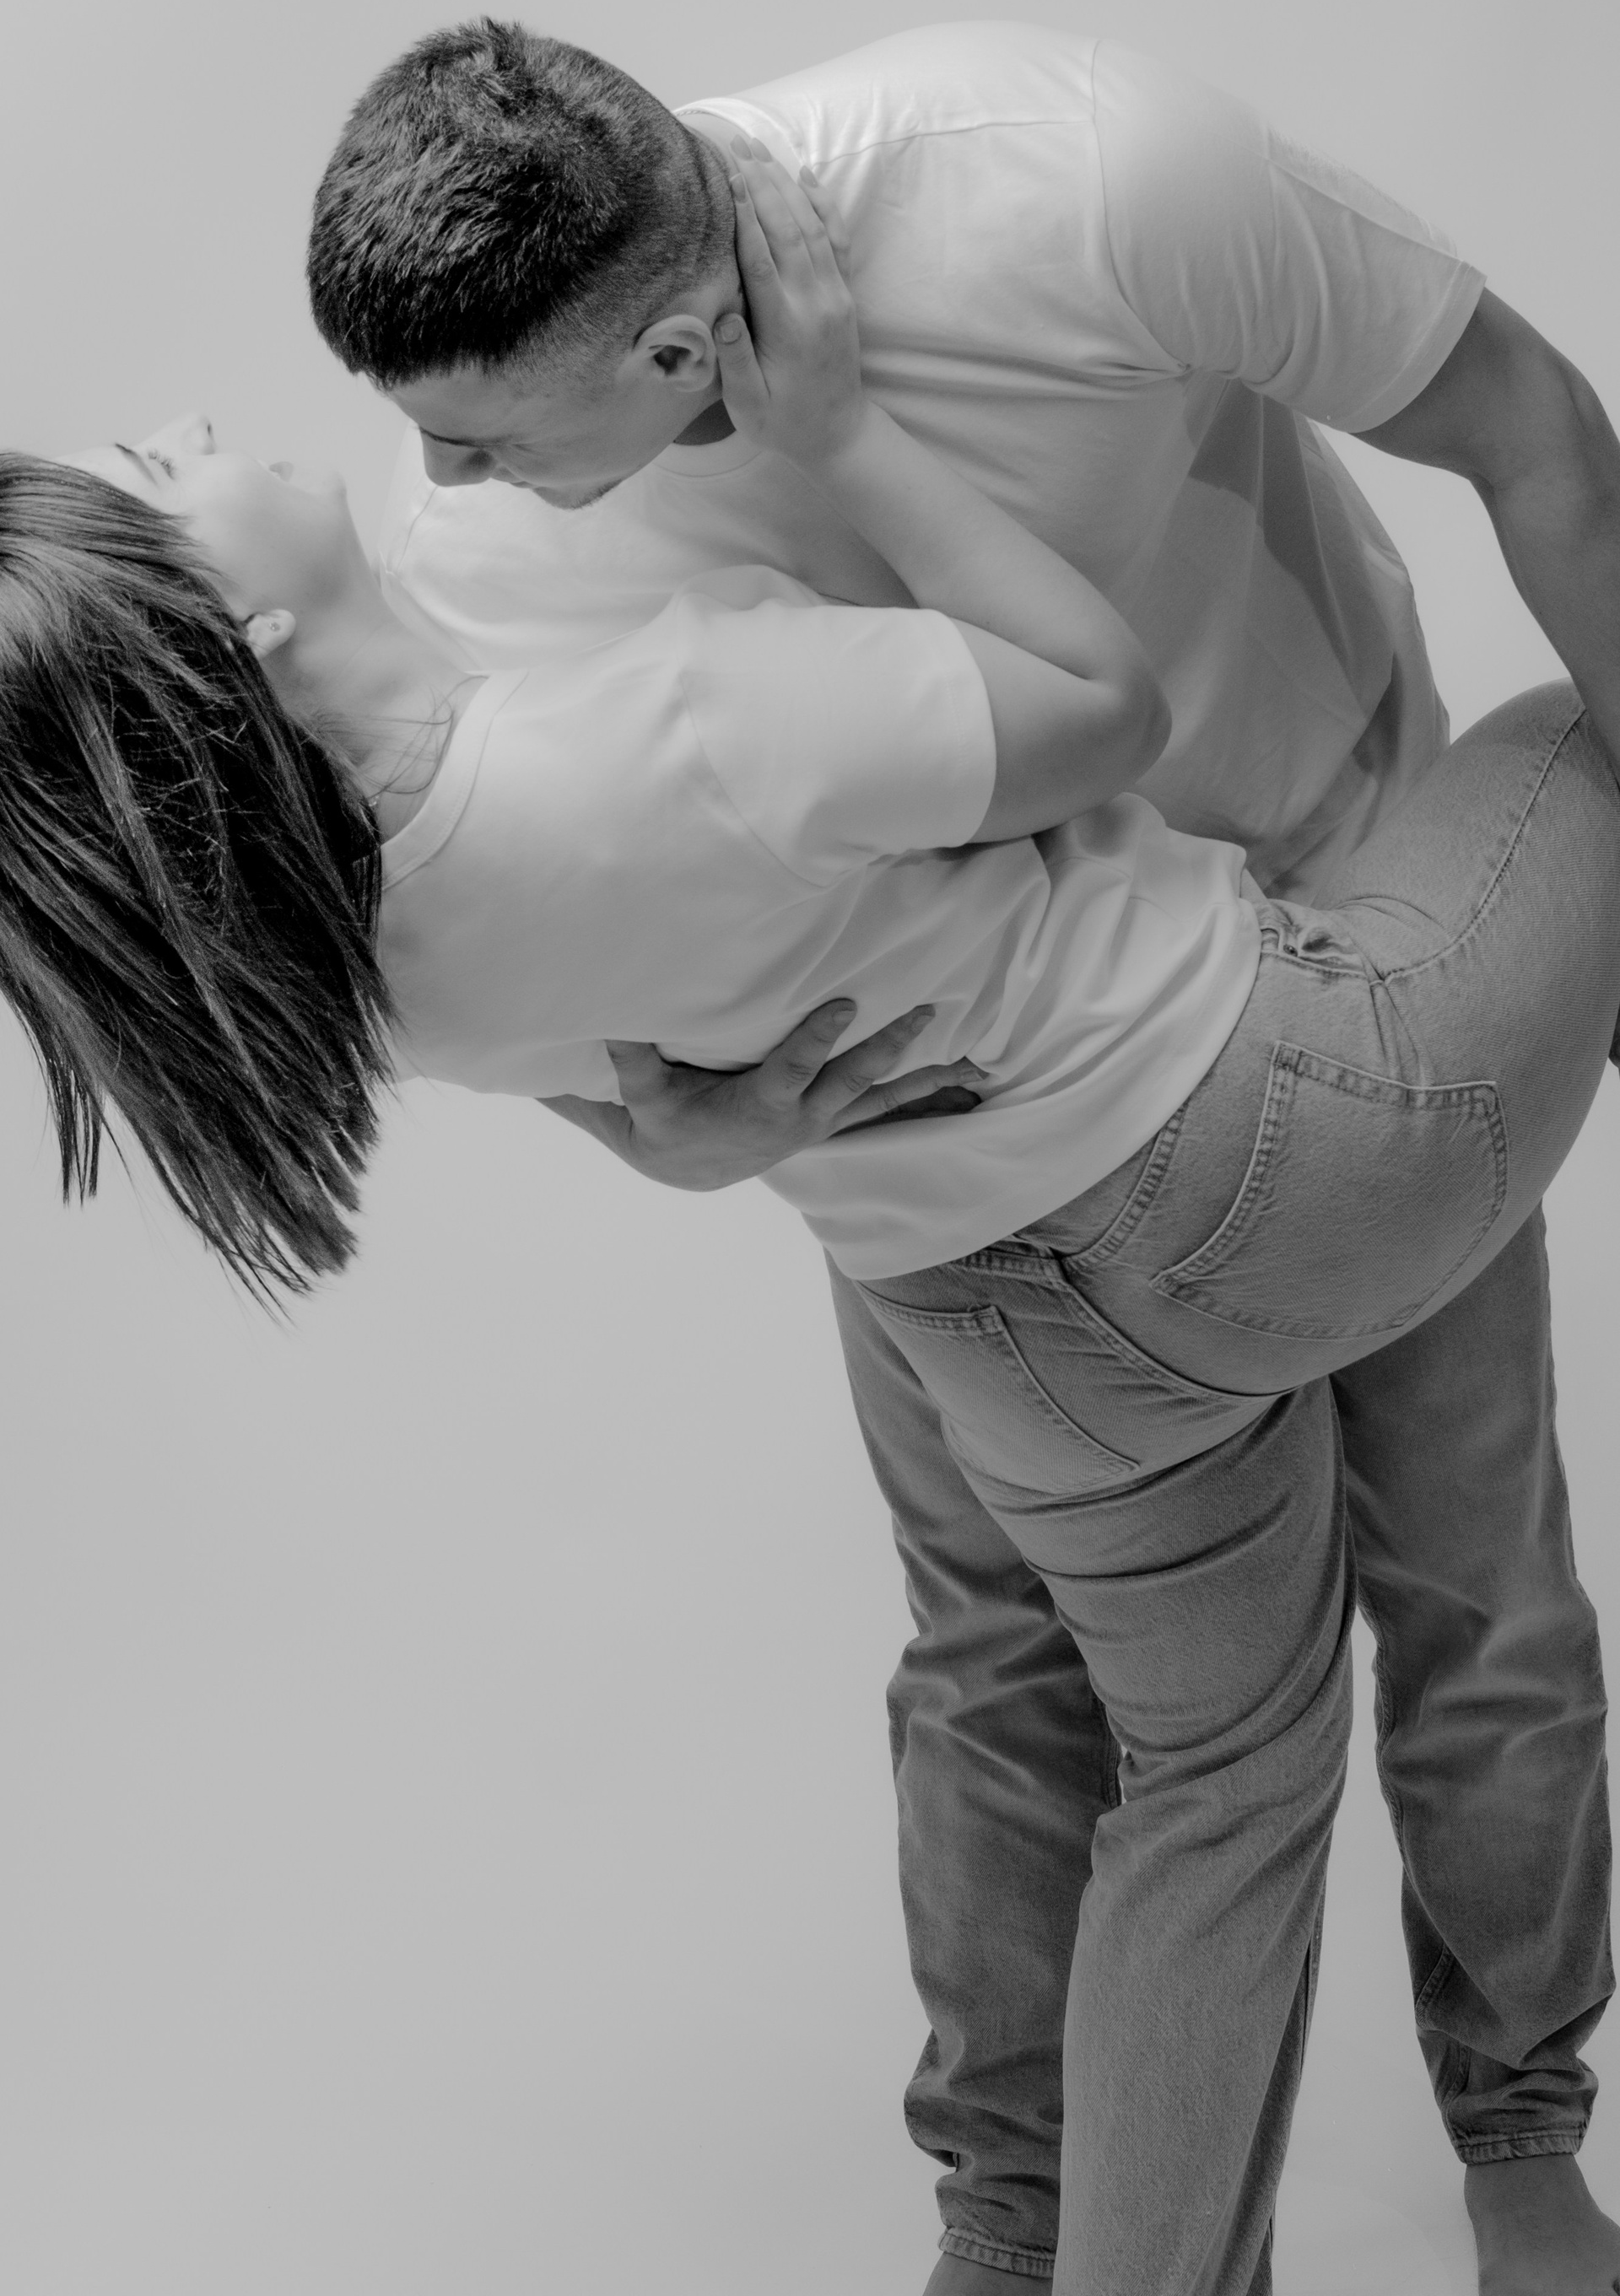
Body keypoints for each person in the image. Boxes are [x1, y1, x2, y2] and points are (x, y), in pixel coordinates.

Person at [13, 153, 1620, 2293]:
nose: (183, 429)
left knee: (1214, 1778)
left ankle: (1041, 2238)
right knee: (1590, 731)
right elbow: (1107, 713)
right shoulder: (673, 720)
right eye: (156, 482)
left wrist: (692, 1140)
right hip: (1253, 1137)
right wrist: (847, 433)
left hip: (979, 1309)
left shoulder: (355, 953)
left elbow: (632, 1089)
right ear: (250, 644)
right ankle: (1409, 2161)